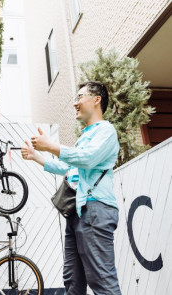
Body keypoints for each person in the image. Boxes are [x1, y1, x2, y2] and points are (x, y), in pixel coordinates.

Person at [21, 81, 122, 295]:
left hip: (96, 211)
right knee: (73, 281)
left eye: (80, 97)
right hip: (77, 212)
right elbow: (67, 167)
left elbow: (87, 159)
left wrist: (51, 146)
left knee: (102, 281)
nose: (75, 103)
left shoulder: (106, 130)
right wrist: (37, 156)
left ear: (97, 100)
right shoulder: (85, 136)